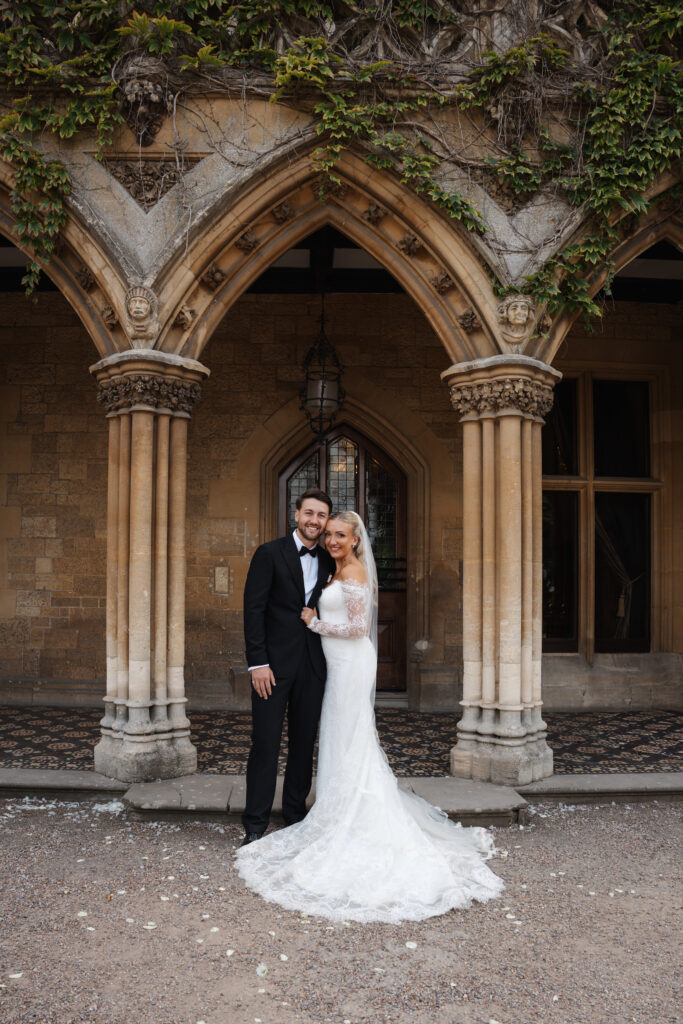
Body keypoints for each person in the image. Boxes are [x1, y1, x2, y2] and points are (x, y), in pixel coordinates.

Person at [236, 510, 504, 922]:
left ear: (356, 539)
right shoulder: (318, 562)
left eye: (338, 533)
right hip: (320, 664)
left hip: (346, 663)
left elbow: (359, 629)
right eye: (327, 533)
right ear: (301, 519)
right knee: (330, 739)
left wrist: (315, 622)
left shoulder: (354, 571)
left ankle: (340, 815)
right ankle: (291, 816)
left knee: (344, 736)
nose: (331, 539)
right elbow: (258, 608)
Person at [241, 489, 336, 846]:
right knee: (265, 743)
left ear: (326, 522)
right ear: (296, 514)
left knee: (303, 743)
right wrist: (258, 663)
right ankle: (255, 822)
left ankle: (295, 815)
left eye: (321, 515)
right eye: (309, 512)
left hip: (313, 666)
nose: (314, 520)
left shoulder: (330, 561)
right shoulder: (269, 553)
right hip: (272, 667)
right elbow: (253, 611)